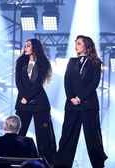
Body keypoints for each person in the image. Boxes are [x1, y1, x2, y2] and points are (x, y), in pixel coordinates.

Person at [53, 35, 108, 168]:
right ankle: (62, 164)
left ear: (86, 46)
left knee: (93, 137)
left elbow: (94, 83)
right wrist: (71, 98)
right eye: (76, 43)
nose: (76, 46)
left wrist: (80, 98)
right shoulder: (71, 62)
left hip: (89, 105)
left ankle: (98, 164)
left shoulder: (96, 62)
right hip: (72, 105)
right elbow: (67, 82)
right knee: (67, 135)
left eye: (78, 43)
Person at [15, 39, 56, 164]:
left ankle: (47, 161)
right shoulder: (21, 61)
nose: (25, 48)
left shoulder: (43, 63)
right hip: (23, 102)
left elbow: (38, 83)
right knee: (18, 131)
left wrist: (27, 97)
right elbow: (18, 81)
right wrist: (24, 97)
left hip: (40, 103)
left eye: (28, 46)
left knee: (44, 135)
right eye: (25, 45)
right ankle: (15, 157)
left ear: (35, 47)